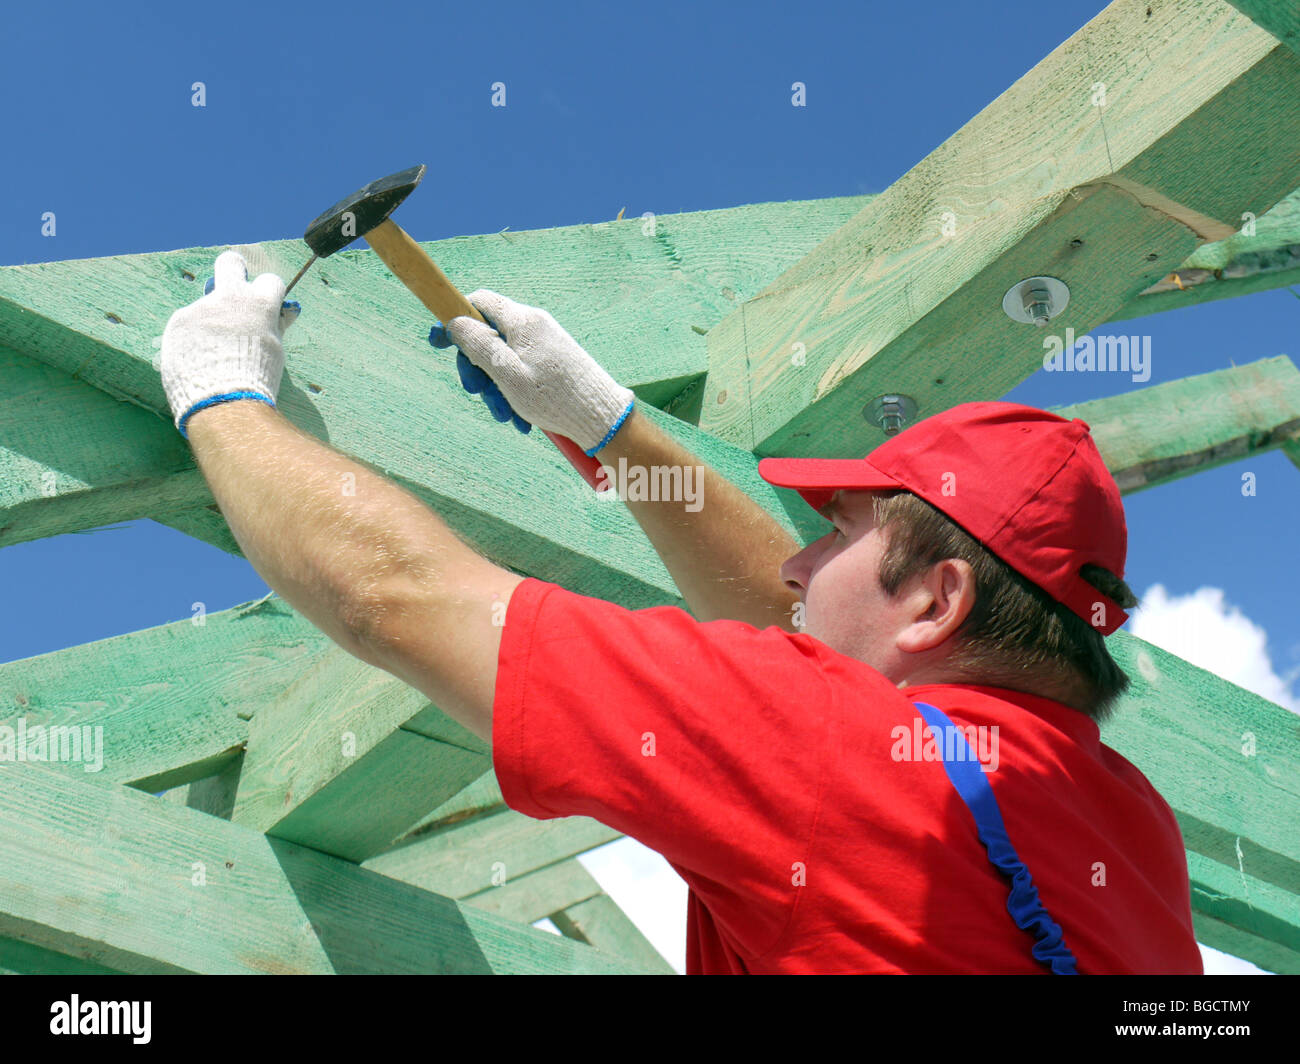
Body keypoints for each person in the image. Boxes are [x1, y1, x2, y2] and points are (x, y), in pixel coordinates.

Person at [161, 250, 1203, 974]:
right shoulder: (1126, 827)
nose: (796, 561)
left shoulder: (839, 753)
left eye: (837, 534)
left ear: (937, 599)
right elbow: (796, 651)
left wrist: (221, 396)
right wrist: (606, 426)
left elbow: (393, 597)